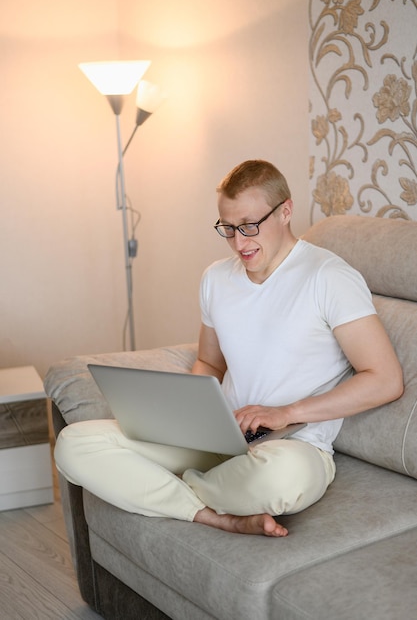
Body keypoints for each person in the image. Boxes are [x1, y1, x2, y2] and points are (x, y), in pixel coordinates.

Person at [54, 159, 403, 537]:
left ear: (285, 210)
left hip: (291, 445)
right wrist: (191, 413)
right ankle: (213, 514)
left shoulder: (329, 277)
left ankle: (160, 484)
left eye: (250, 226)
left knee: (282, 482)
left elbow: (384, 380)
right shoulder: (216, 278)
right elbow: (209, 361)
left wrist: (286, 412)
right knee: (74, 444)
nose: (240, 242)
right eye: (228, 228)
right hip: (217, 437)